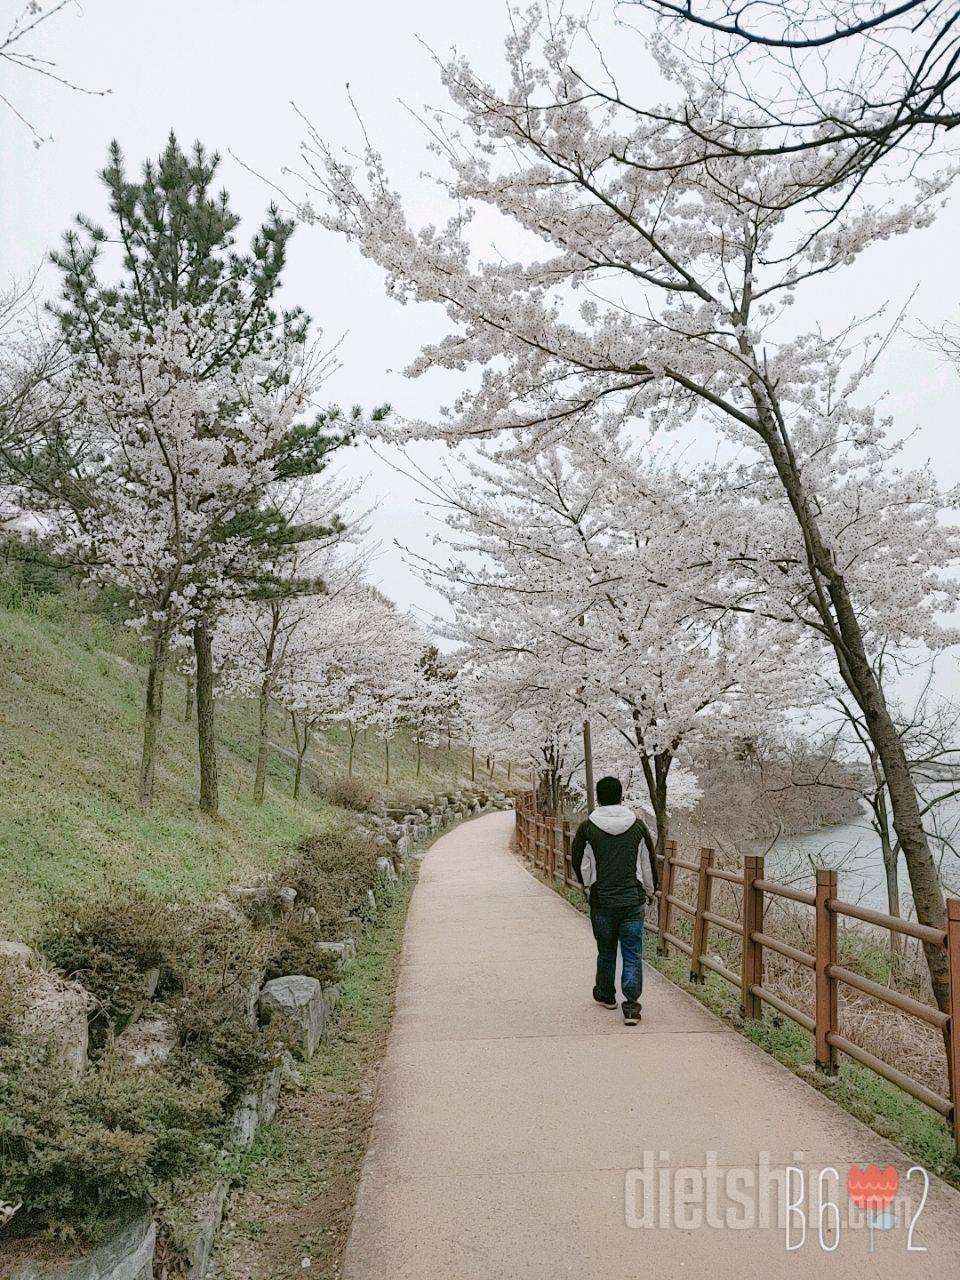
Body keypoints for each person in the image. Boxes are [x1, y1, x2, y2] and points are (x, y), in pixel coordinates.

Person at [571, 775, 658, 1025]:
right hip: (632, 900)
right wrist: (651, 891)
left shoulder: (588, 828)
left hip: (602, 900)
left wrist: (587, 885)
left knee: (606, 950)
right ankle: (631, 1006)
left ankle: (607, 994)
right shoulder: (638, 827)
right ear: (621, 796)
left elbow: (580, 862)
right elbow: (647, 864)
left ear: (599, 797)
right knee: (632, 952)